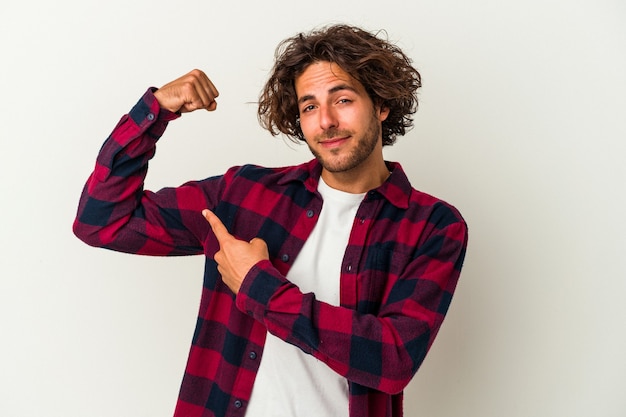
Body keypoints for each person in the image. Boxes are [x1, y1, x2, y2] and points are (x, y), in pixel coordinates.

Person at [73, 24, 468, 417]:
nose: (325, 121)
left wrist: (257, 285)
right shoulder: (243, 195)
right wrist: (156, 110)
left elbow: (392, 360)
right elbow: (100, 220)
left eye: (342, 99)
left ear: (380, 105)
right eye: (309, 106)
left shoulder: (433, 227)